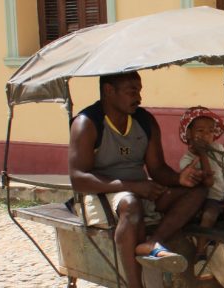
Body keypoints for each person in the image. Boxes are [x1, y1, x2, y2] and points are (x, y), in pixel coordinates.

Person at [68, 71, 208, 288]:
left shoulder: (145, 120)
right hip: (102, 194)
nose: (139, 97)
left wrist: (179, 179)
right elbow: (78, 178)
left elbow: (158, 168)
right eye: (131, 91)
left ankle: (153, 242)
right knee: (130, 204)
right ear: (108, 91)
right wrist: (132, 187)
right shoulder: (87, 123)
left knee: (197, 192)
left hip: (141, 190)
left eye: (139, 90)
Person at [176, 106, 224, 279]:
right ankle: (200, 255)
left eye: (210, 131)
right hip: (207, 200)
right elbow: (208, 181)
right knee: (209, 215)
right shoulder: (187, 160)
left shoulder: (219, 149)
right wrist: (203, 154)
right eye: (200, 131)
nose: (206, 136)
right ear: (188, 134)